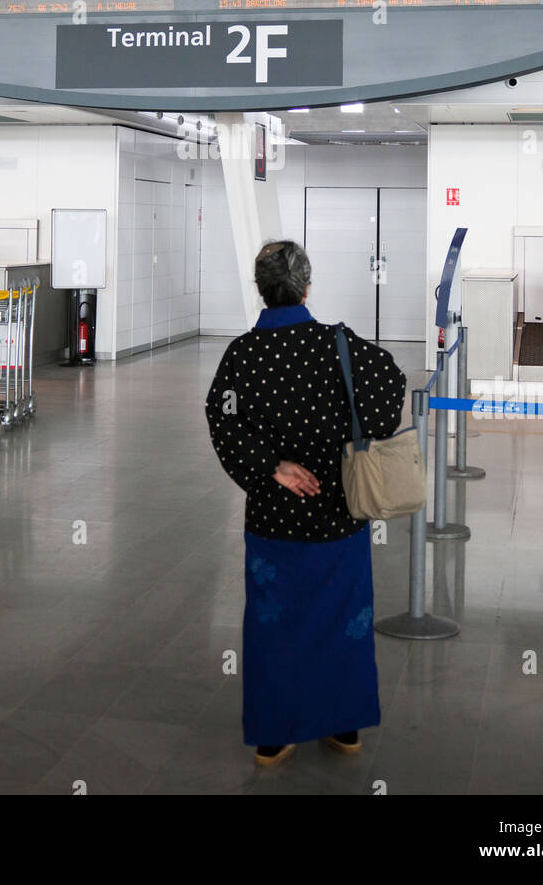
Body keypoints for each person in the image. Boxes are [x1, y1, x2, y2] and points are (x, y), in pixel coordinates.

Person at [205, 239, 406, 767]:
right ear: (307, 287)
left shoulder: (242, 355)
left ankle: (274, 735)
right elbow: (391, 384)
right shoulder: (338, 344)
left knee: (275, 626)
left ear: (261, 290)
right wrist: (352, 436)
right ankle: (343, 727)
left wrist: (270, 466)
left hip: (273, 516)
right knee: (345, 620)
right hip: (338, 513)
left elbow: (221, 415)